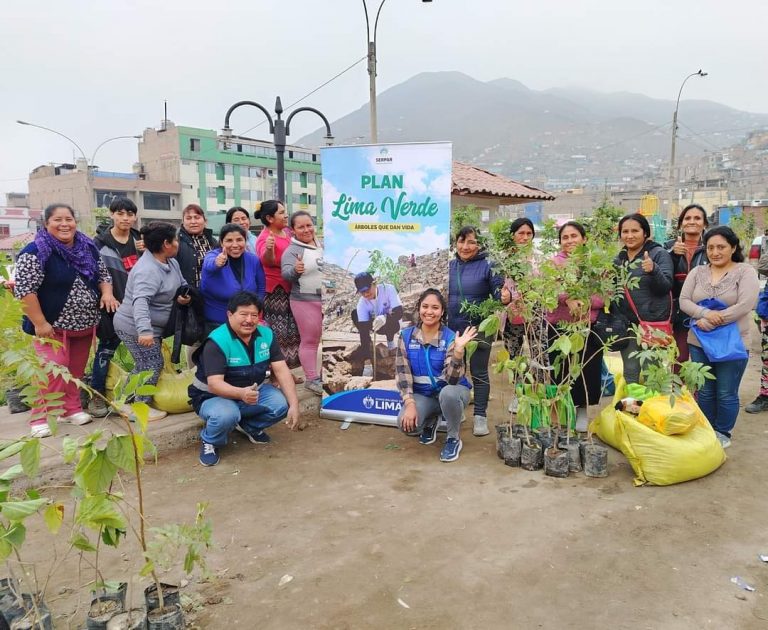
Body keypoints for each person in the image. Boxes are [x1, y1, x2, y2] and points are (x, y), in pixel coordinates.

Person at [15, 203, 117, 437]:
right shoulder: (36, 251)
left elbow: (103, 275)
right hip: (51, 327)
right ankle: (41, 416)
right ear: (46, 223)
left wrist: (107, 293)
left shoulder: (87, 247)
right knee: (52, 369)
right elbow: (25, 290)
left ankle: (70, 409)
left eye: (68, 219)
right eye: (57, 220)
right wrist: (40, 323)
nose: (64, 224)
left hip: (84, 325)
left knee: (75, 371)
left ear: (75, 222)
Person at [188, 291, 301, 467]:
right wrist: (241, 394)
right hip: (212, 396)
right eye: (243, 314)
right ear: (229, 315)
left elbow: (281, 370)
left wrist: (294, 405)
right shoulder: (217, 341)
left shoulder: (266, 335)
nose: (249, 320)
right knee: (227, 415)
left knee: (281, 404)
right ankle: (210, 440)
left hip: (250, 391)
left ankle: (250, 426)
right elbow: (214, 384)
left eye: (254, 315)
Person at [679, 226, 759, 448]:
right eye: (711, 247)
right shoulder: (697, 272)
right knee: (704, 390)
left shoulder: (745, 272)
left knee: (726, 392)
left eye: (721, 247)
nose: (715, 252)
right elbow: (684, 300)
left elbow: (746, 304)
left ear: (733, 247)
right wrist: (702, 315)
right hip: (699, 341)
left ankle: (722, 432)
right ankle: (706, 428)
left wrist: (715, 318)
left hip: (732, 343)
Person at [113, 222, 190, 421]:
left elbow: (181, 284)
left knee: (145, 363)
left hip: (150, 327)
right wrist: (144, 331)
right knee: (151, 363)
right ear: (166, 244)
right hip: (133, 325)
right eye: (175, 240)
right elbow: (140, 302)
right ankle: (138, 406)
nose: (177, 243)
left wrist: (184, 296)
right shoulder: (147, 270)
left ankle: (124, 401)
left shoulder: (170, 262)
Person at [396, 289, 477, 463]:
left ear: (442, 312)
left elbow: (452, 380)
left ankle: (453, 438)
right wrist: (409, 404)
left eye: (435, 307)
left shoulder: (450, 337)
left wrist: (458, 352)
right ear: (419, 309)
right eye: (425, 306)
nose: (429, 312)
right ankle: (432, 418)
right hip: (425, 396)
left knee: (448, 393)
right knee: (406, 425)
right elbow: (403, 374)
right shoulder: (406, 336)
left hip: (454, 392)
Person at [546, 221, 605, 432]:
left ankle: (581, 411)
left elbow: (603, 297)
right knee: (560, 370)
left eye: (574, 236)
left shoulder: (594, 265)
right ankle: (563, 412)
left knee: (586, 370)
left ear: (584, 239)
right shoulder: (553, 264)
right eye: (565, 237)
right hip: (558, 327)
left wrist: (583, 301)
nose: (570, 241)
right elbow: (548, 291)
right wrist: (566, 299)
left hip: (587, 327)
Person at [89, 197, 144, 417]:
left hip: (138, 307)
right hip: (111, 306)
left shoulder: (141, 240)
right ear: (112, 215)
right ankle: (97, 396)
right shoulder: (98, 243)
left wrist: (148, 249)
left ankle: (137, 397)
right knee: (106, 350)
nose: (125, 218)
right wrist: (105, 295)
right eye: (120, 213)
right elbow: (92, 273)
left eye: (130, 214)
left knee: (144, 353)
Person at [448, 225, 503, 437]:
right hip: (453, 328)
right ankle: (458, 408)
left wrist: (504, 296)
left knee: (479, 372)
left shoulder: (489, 265)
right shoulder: (450, 266)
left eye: (471, 242)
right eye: (461, 241)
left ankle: (480, 416)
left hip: (479, 328)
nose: (465, 246)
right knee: (455, 370)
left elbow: (499, 295)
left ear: (479, 244)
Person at [614, 213, 674, 384]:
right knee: (630, 371)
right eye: (625, 231)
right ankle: (633, 409)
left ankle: (653, 408)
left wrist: (654, 269)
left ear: (645, 233)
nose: (630, 235)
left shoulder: (658, 254)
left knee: (652, 373)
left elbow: (666, 287)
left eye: (635, 231)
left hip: (653, 325)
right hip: (628, 325)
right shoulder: (619, 259)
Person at [500, 218, 548, 411]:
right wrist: (508, 296)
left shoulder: (540, 258)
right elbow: (498, 286)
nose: (525, 237)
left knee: (540, 352)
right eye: (521, 233)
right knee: (515, 354)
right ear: (513, 235)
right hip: (512, 315)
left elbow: (545, 285)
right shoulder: (503, 259)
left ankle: (538, 393)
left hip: (536, 313)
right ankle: (519, 394)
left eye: (529, 233)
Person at [255, 200, 302, 373]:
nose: (286, 215)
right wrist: (269, 249)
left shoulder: (287, 232)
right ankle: (276, 375)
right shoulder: (266, 238)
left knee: (292, 333)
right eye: (281, 213)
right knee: (278, 335)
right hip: (276, 292)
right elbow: (266, 260)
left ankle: (287, 372)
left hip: (291, 289)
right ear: (269, 217)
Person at [281, 211, 323, 395]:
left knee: (326, 340)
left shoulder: (322, 244)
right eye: (301, 227)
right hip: (304, 301)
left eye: (309, 225)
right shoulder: (292, 250)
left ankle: (325, 376)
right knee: (310, 340)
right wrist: (296, 271)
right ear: (293, 230)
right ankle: (312, 379)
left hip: (327, 300)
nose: (306, 230)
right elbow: (286, 274)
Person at [201, 224, 266, 330]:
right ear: (222, 242)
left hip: (247, 322)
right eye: (229, 240)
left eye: (239, 240)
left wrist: (255, 312)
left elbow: (261, 288)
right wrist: (217, 263)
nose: (235, 245)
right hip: (217, 323)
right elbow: (209, 265)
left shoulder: (253, 260)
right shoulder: (213, 256)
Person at [666, 204, 708, 363]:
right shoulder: (668, 247)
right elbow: (664, 277)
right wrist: (673, 255)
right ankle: (679, 388)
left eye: (697, 218)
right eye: (687, 218)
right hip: (678, 312)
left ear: (705, 224)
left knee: (703, 358)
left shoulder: (711, 248)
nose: (692, 221)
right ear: (681, 223)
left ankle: (699, 389)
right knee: (680, 357)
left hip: (705, 310)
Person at [352, 271, 403, 377]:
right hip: (375, 325)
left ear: (374, 283)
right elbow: (363, 332)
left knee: (392, 323)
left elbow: (399, 312)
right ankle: (369, 349)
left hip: (391, 324)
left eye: (367, 290)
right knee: (355, 314)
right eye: (362, 292)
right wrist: (367, 362)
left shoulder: (388, 289)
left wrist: (385, 318)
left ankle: (390, 342)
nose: (366, 294)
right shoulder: (362, 303)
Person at [176, 204, 219, 288]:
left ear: (205, 221)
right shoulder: (176, 241)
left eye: (197, 217)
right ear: (183, 222)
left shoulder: (213, 241)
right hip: (187, 294)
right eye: (188, 218)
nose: (193, 222)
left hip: (211, 292)